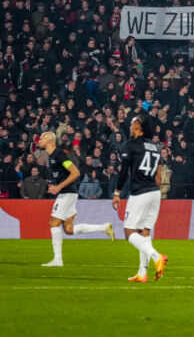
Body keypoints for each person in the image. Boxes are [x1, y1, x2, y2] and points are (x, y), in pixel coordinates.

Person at [39, 130, 114, 267]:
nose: (39, 140)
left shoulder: (60, 154)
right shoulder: (52, 156)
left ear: (49, 140)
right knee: (68, 229)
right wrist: (55, 186)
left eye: (42, 138)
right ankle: (103, 227)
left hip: (67, 193)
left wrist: (59, 187)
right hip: (68, 193)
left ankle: (58, 260)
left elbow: (75, 173)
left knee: (53, 223)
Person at [113, 116, 167, 282]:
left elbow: (123, 171)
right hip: (154, 192)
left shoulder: (130, 144)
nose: (130, 126)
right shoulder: (155, 147)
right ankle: (142, 273)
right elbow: (158, 174)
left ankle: (157, 256)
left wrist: (117, 193)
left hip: (139, 192)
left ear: (138, 126)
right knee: (144, 232)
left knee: (129, 232)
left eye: (132, 123)